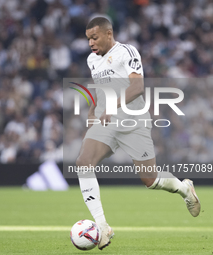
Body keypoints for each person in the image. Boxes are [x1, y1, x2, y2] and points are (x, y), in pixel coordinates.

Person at [76, 17, 201, 250]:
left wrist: (112, 107)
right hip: (106, 122)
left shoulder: (127, 52)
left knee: (150, 179)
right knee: (83, 162)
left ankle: (184, 188)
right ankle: (103, 226)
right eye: (88, 39)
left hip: (133, 121)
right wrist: (94, 109)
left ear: (108, 34)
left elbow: (137, 87)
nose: (91, 43)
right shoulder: (92, 59)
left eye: (94, 37)